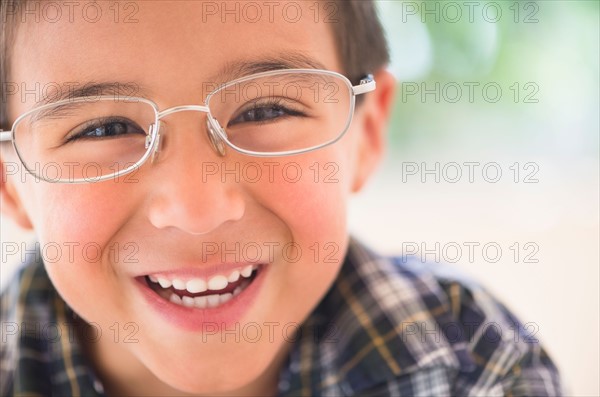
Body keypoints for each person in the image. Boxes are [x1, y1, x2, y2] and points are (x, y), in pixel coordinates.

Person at [0, 1, 563, 395]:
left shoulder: (475, 366)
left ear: (364, 135)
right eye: (102, 130)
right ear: (10, 179)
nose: (199, 210)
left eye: (265, 111)